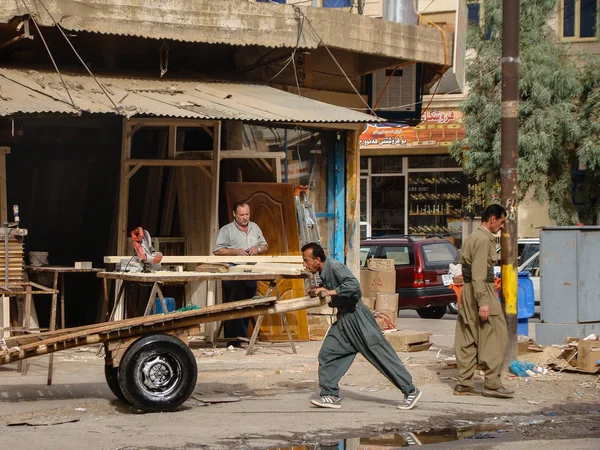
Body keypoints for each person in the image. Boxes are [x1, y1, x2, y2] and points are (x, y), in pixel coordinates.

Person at [301, 242, 421, 410]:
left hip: (358, 317)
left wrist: (329, 292)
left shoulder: (334, 266)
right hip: (344, 320)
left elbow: (353, 286)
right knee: (328, 353)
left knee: (380, 354)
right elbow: (336, 289)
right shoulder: (324, 272)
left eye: (306, 260)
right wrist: (320, 288)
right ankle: (330, 394)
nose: (305, 264)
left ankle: (411, 390)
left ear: (317, 259)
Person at [454, 204, 514, 398]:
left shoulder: (473, 237)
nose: (502, 227)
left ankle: (464, 384)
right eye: (502, 222)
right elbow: (480, 274)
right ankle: (493, 384)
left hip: (469, 290)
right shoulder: (483, 240)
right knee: (496, 336)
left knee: (468, 337)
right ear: (493, 219)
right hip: (481, 290)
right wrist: (484, 302)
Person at [213, 201, 268, 341]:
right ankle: (237, 337)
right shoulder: (226, 230)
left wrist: (258, 249)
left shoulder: (254, 227)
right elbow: (217, 250)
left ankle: (242, 336)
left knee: (249, 302)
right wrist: (235, 251)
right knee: (235, 303)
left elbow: (265, 245)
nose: (245, 217)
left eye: (247, 214)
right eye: (242, 215)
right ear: (234, 214)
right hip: (233, 271)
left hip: (251, 270)